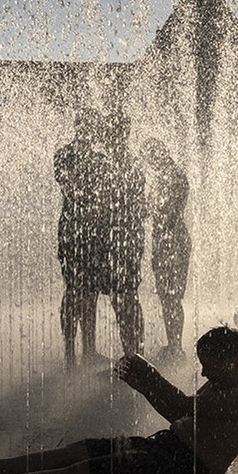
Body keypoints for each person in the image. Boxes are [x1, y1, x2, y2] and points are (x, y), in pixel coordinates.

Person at [0, 326, 238, 474]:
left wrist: (148, 374)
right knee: (80, 449)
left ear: (232, 362)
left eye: (210, 365)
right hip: (167, 451)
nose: (203, 371)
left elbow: (182, 406)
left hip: (185, 473)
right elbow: (178, 416)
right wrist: (143, 386)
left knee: (84, 471)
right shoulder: (218, 384)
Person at [54, 109, 109, 368]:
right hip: (72, 230)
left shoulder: (101, 159)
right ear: (78, 127)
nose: (90, 131)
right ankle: (69, 350)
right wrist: (89, 205)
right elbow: (67, 184)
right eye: (86, 126)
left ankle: (89, 348)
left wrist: (96, 210)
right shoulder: (64, 154)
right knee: (73, 289)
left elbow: (106, 195)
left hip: (94, 232)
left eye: (93, 127)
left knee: (92, 292)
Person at [98, 110, 146, 356]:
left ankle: (134, 354)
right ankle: (133, 353)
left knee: (125, 297)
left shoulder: (121, 163)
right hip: (125, 237)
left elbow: (118, 203)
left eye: (110, 132)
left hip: (122, 239)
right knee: (124, 297)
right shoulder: (128, 162)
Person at [142, 138, 191, 365]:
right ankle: (173, 345)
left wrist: (147, 208)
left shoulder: (175, 176)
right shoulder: (164, 176)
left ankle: (176, 347)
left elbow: (168, 212)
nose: (149, 164)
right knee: (167, 296)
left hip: (174, 242)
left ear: (158, 155)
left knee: (172, 296)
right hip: (166, 241)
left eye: (150, 158)